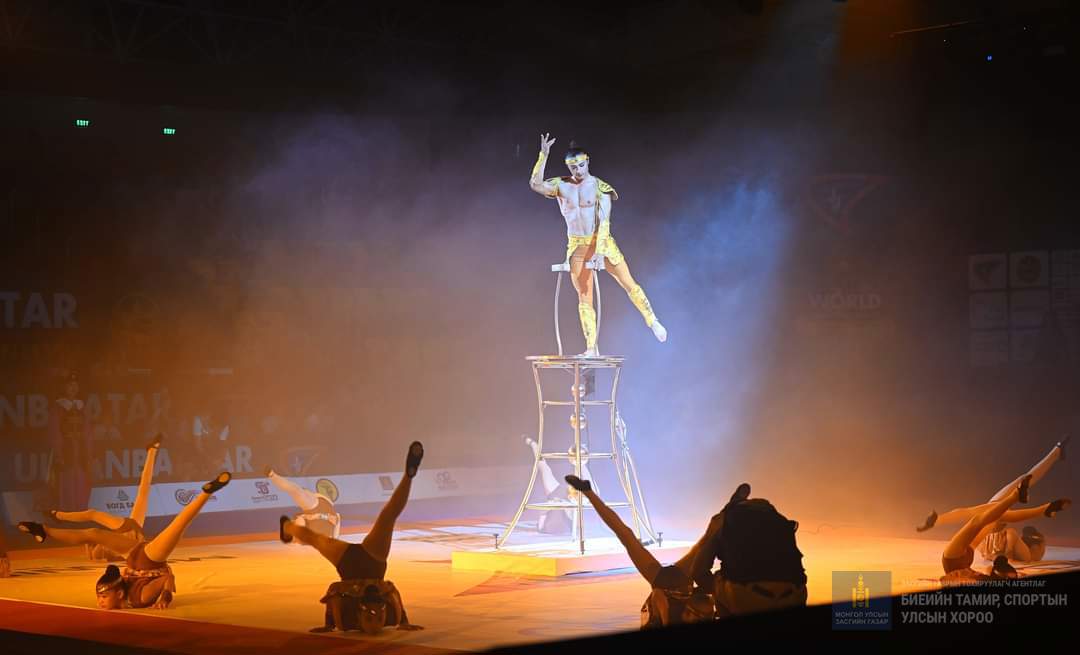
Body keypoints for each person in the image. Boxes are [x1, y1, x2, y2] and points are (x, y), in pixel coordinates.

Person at [529, 134, 667, 356]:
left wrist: (600, 253)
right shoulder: (561, 185)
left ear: (588, 162)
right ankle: (591, 347)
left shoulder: (600, 188)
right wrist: (543, 155)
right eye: (574, 167)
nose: (578, 171)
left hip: (600, 241)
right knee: (584, 296)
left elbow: (604, 223)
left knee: (628, 282)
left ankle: (653, 321)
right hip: (577, 245)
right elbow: (535, 184)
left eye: (581, 166)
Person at [17, 470, 231, 609]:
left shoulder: (131, 595)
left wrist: (165, 593)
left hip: (132, 552)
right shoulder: (139, 598)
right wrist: (166, 595)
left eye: (101, 597)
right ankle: (205, 493)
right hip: (150, 557)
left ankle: (44, 529)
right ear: (119, 593)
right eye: (102, 597)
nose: (99, 602)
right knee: (179, 524)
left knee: (93, 533)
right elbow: (167, 576)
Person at [280, 441, 425, 634]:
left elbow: (333, 593)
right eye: (379, 619)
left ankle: (287, 526)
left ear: (360, 616)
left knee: (317, 538)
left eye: (370, 619)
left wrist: (328, 624)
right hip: (370, 560)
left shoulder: (347, 622)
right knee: (387, 517)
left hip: (351, 562)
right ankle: (409, 476)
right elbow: (392, 591)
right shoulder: (392, 617)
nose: (377, 620)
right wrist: (404, 621)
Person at [564, 474, 715, 628]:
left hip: (662, 580)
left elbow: (658, 594)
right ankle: (588, 491)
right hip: (680, 581)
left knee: (626, 535)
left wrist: (665, 616)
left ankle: (588, 491)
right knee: (705, 540)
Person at [688, 482, 808, 618]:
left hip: (745, 595)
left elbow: (698, 572)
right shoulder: (780, 522)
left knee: (717, 581)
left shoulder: (726, 519)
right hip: (795, 593)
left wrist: (711, 587)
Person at [48, 433, 164, 562]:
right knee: (143, 491)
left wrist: (90, 544)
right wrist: (90, 544)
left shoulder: (111, 551)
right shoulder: (112, 551)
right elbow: (94, 544)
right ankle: (58, 515)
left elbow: (94, 546)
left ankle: (152, 451)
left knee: (143, 491)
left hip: (131, 533)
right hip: (130, 532)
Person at [916, 436, 1069, 532]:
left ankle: (1056, 452)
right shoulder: (986, 532)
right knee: (1022, 483)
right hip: (991, 521)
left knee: (1022, 481)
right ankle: (1055, 453)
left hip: (991, 517)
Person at [47, 372, 93, 512]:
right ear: (64, 387)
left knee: (81, 481)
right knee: (66, 482)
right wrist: (58, 453)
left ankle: (81, 511)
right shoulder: (58, 408)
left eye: (75, 385)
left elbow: (88, 431)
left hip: (81, 450)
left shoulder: (82, 407)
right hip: (66, 449)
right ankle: (67, 512)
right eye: (70, 385)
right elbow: (55, 431)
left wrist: (89, 452)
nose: (73, 388)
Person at [265, 465, 341, 539]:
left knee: (296, 490)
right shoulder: (331, 533)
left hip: (314, 508)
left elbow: (303, 518)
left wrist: (307, 517)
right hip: (318, 504)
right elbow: (335, 519)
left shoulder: (305, 526)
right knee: (296, 490)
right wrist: (321, 516)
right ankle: (272, 475)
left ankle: (272, 475)